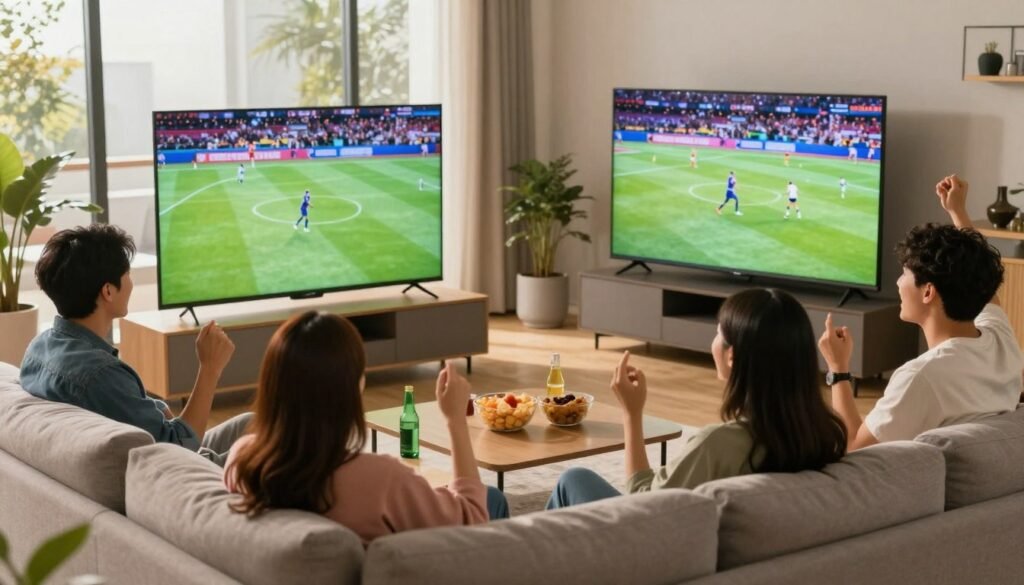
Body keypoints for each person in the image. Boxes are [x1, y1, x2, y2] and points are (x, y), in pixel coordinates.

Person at [547, 289, 848, 509]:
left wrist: (632, 414)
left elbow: (642, 505)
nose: (714, 341)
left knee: (573, 481)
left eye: (718, 332)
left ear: (732, 356)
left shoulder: (718, 445)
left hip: (650, 556)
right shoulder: (826, 434)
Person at [224, 312, 509, 545]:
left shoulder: (242, 459)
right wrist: (455, 420)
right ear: (349, 388)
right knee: (490, 499)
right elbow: (473, 519)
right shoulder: (378, 479)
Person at [819, 174, 1023, 451]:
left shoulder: (921, 376)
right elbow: (981, 279)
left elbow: (854, 447)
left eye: (904, 274)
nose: (898, 283)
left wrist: (838, 369)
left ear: (928, 291)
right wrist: (957, 211)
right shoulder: (1002, 341)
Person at [20, 225, 247, 465]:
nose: (131, 283)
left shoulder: (38, 349)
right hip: (175, 473)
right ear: (108, 291)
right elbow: (180, 448)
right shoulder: (101, 374)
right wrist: (210, 368)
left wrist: (156, 407)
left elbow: (117, 406)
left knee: (250, 424)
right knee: (277, 450)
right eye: (127, 275)